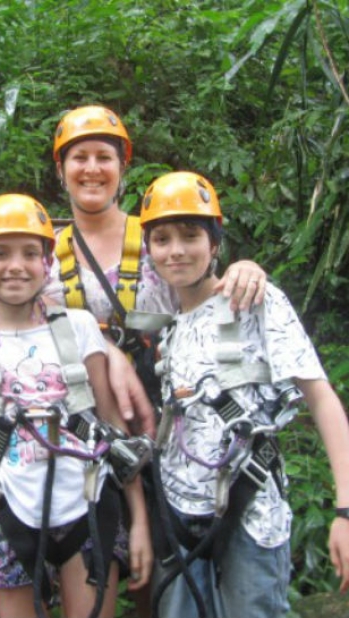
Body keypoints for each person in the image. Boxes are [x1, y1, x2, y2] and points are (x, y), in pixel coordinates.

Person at [139, 171, 349, 618]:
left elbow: (321, 398)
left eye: (191, 235)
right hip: (178, 515)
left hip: (249, 514)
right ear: (149, 250)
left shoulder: (254, 302)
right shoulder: (169, 325)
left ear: (215, 244)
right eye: (162, 239)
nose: (176, 250)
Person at [0, 194, 153, 618]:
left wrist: (140, 524)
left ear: (47, 262)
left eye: (29, 253)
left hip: (88, 506)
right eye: (0, 253)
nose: (16, 266)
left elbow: (114, 430)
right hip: (11, 511)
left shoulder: (77, 329)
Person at [44, 104, 268, 438]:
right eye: (80, 158)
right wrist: (105, 347)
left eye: (104, 157)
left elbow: (210, 296)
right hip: (73, 428)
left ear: (123, 167)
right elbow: (15, 316)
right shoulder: (41, 255)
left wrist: (246, 269)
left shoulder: (160, 241)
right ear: (61, 169)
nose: (92, 168)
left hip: (165, 417)